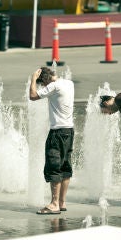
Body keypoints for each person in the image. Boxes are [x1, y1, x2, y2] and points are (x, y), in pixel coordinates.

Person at [29, 67, 75, 215]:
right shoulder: (69, 83)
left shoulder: (53, 86)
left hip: (57, 132)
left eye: (42, 83)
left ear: (45, 80)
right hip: (69, 131)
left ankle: (54, 204)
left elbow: (33, 96)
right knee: (65, 166)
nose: (43, 87)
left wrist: (33, 79)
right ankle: (62, 202)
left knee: (54, 165)